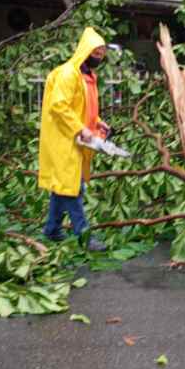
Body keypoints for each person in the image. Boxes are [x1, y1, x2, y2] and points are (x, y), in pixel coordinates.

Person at [38, 26, 111, 250]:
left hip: (76, 139)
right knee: (73, 188)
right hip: (64, 139)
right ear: (85, 50)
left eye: (101, 54)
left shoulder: (88, 76)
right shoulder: (68, 74)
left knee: (63, 186)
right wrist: (80, 129)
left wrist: (97, 121)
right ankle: (84, 236)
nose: (98, 57)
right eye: (95, 53)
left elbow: (83, 106)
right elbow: (59, 106)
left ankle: (51, 230)